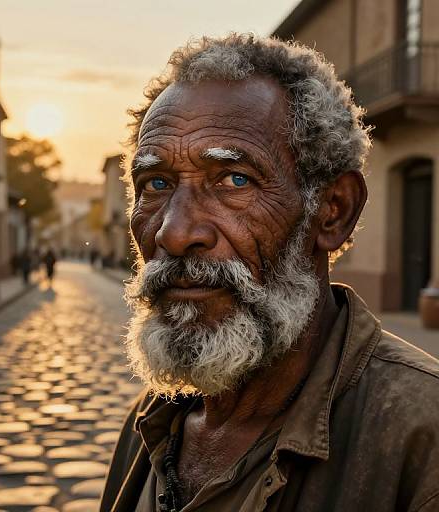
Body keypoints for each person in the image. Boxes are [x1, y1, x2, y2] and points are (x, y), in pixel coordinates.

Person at [100, 35, 439, 512]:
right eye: (155, 184)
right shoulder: (151, 422)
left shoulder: (422, 439)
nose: (174, 234)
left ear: (332, 212)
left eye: (234, 180)